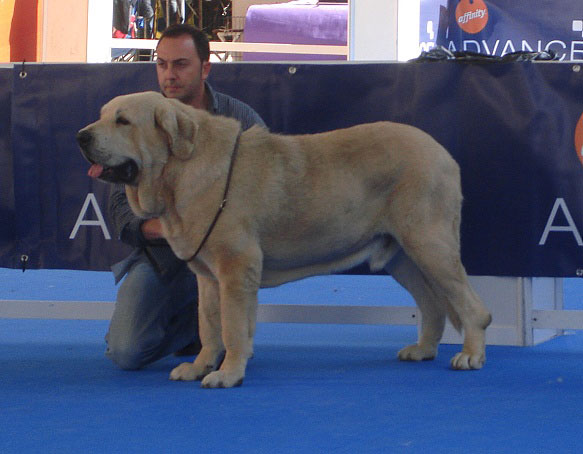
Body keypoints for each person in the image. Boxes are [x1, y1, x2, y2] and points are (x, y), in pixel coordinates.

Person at [106, 24, 266, 370]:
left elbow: (266, 196)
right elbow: (121, 213)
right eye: (161, 64)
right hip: (164, 260)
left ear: (205, 68)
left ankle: (218, 332)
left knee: (231, 271)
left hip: (225, 256)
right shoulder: (137, 119)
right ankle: (196, 332)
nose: (169, 75)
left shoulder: (240, 119)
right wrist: (177, 230)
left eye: (180, 64)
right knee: (126, 351)